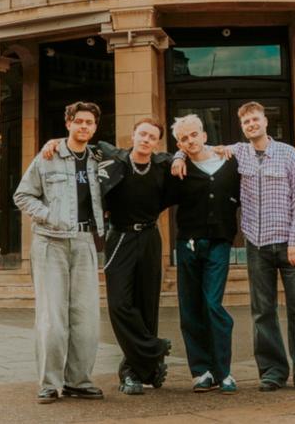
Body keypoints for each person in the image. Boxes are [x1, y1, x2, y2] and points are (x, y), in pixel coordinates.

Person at [218, 101, 295, 393]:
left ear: (265, 121)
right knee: (262, 311)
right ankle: (273, 371)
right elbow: (199, 149)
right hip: (256, 244)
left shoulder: (288, 154)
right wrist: (177, 157)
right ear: (242, 127)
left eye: (255, 119)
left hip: (289, 245)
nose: (251, 124)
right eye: (246, 122)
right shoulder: (238, 153)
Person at [14, 101, 104, 404]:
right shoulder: (47, 156)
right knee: (53, 317)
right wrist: (50, 215)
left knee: (86, 318)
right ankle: (50, 383)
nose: (84, 127)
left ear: (95, 127)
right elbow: (22, 195)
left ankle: (78, 380)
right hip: (50, 242)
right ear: (68, 123)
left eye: (89, 122)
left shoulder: (98, 159)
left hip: (84, 241)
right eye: (79, 121)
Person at [97, 117, 174, 395]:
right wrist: (54, 144)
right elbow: (86, 146)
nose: (146, 140)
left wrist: (180, 158)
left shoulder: (163, 165)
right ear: (133, 135)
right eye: (142, 134)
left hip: (150, 238)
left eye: (152, 137)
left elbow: (188, 156)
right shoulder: (115, 160)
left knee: (146, 304)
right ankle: (153, 350)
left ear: (157, 142)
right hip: (120, 237)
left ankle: (137, 372)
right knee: (119, 304)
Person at [170, 114, 240, 393]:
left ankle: (223, 370)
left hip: (220, 243)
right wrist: (176, 156)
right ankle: (201, 371)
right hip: (188, 244)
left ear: (204, 134)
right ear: (179, 143)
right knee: (190, 307)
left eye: (193, 135)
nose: (190, 141)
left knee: (212, 304)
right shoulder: (178, 166)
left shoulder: (230, 162)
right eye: (184, 139)